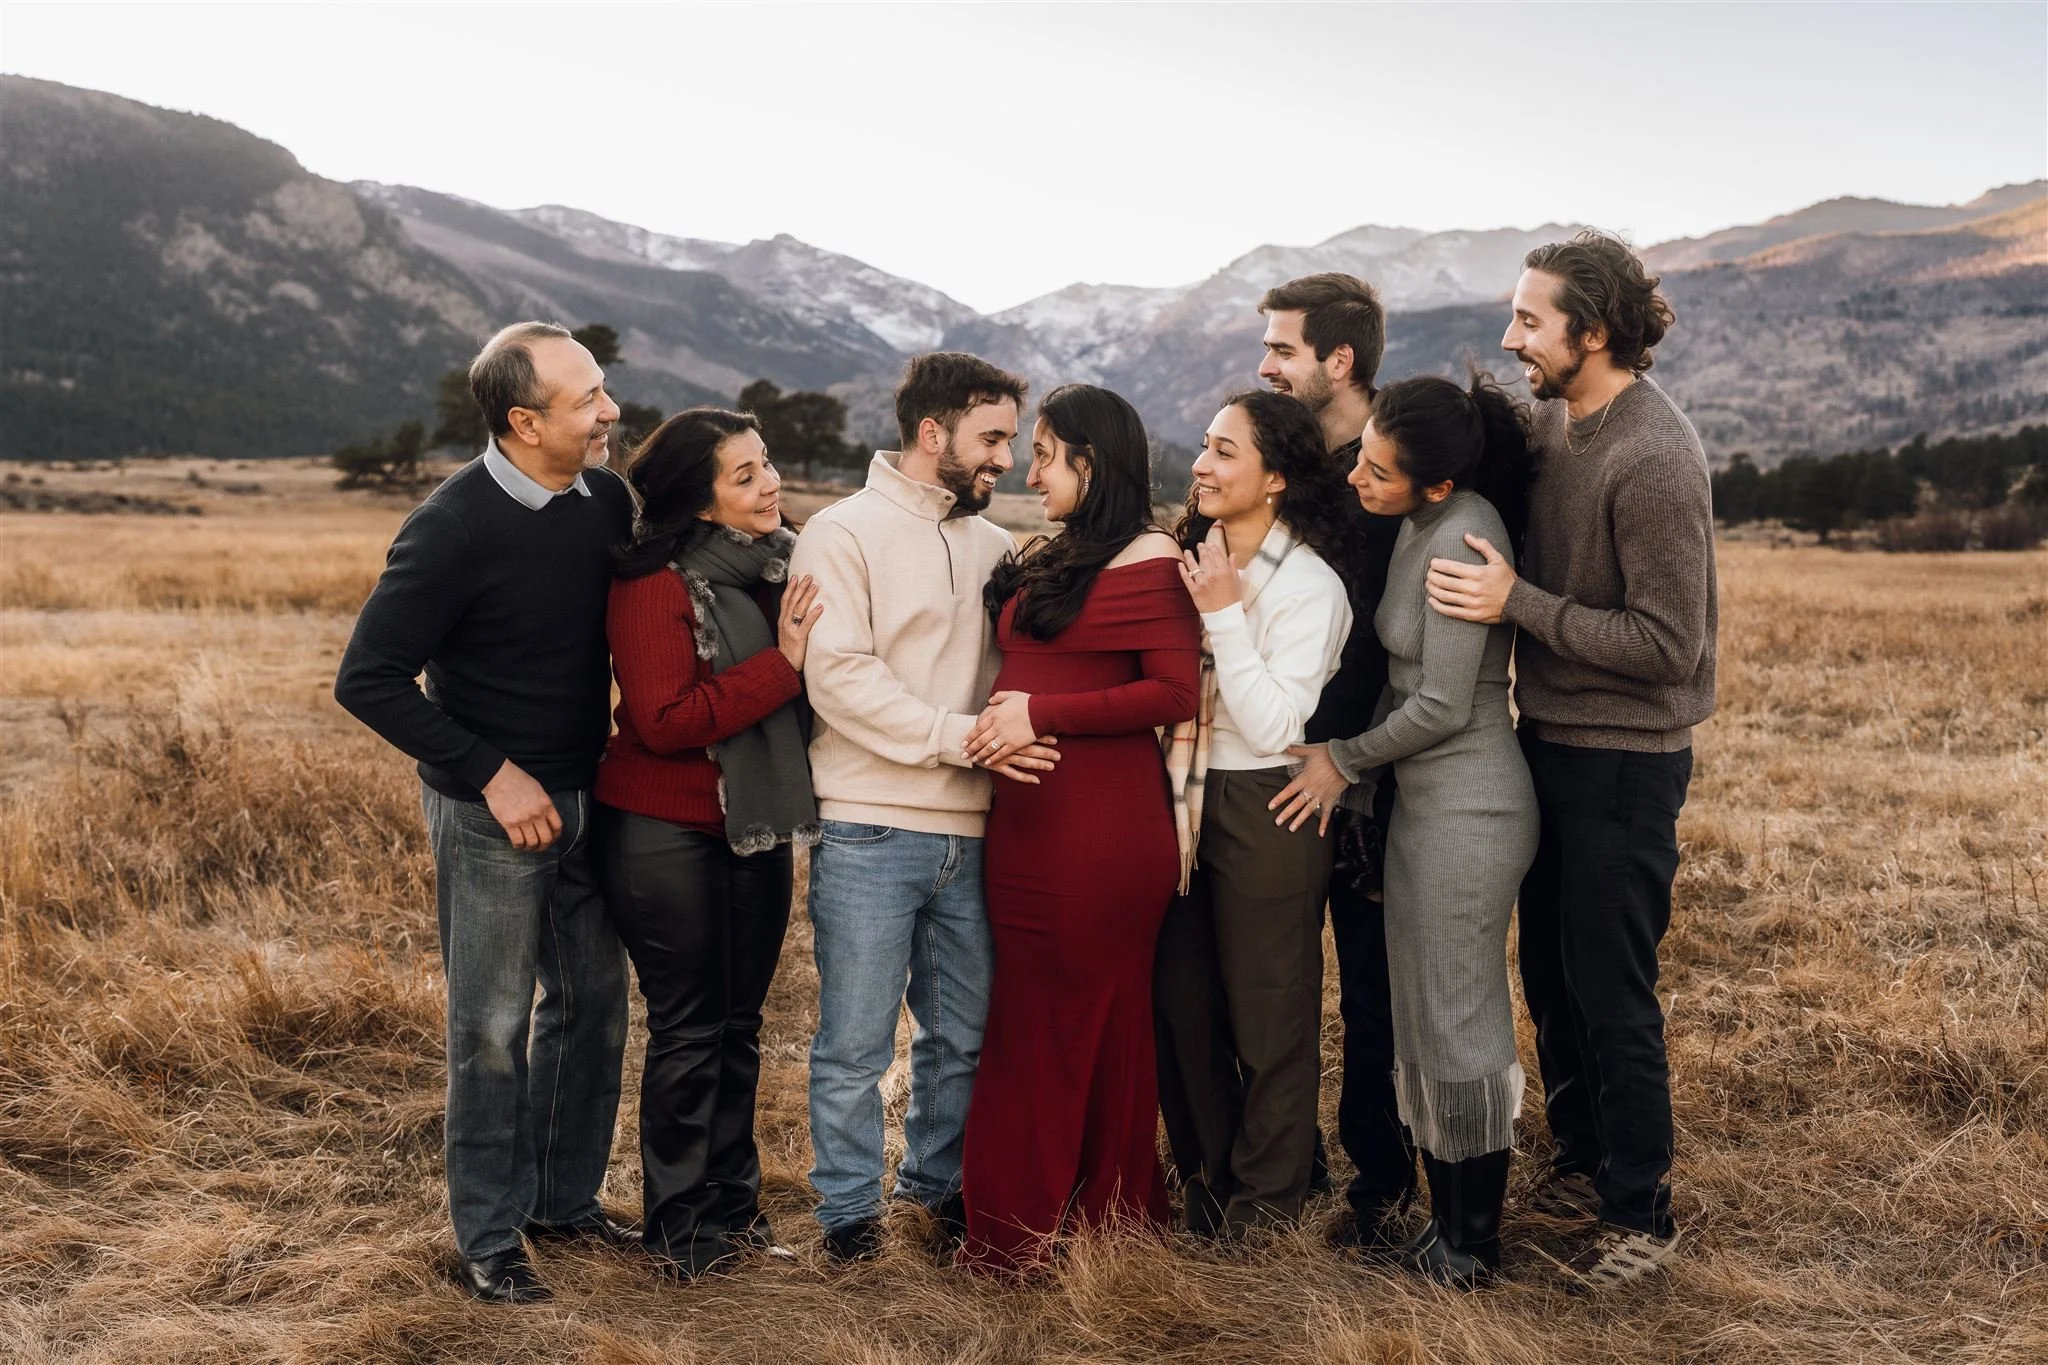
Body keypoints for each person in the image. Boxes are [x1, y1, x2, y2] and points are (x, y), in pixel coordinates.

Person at [1427, 231, 1717, 1290]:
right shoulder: (1553, 425)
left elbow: (1663, 646)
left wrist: (1520, 606)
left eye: (1529, 321)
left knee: (1610, 989)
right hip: (1543, 741)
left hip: (1625, 764)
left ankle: (1641, 1212)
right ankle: (1582, 1161)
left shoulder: (1652, 456)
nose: (1510, 339)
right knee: (1547, 976)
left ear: (1591, 333)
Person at [334, 321, 633, 1304]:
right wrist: (492, 773)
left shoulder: (604, 503)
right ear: (521, 420)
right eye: (586, 399)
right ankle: (490, 1237)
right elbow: (368, 679)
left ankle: (563, 1201)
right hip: (490, 815)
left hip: (593, 799)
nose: (609, 411)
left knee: (591, 1009)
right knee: (493, 1028)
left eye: (602, 392)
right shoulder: (451, 525)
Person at [790, 352, 1060, 1263]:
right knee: (857, 1041)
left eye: (1013, 442)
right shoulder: (840, 532)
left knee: (963, 1033)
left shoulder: (994, 548)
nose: (1006, 460)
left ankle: (935, 1190)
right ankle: (847, 1217)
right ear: (932, 433)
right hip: (868, 822)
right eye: (991, 439)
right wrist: (961, 739)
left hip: (977, 829)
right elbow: (839, 676)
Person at [1273, 373, 1538, 1288]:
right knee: (1423, 1016)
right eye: (1363, 457)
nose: (1357, 480)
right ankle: (1445, 1219)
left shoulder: (1466, 534)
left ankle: (1475, 1241)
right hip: (1423, 805)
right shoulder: (1423, 520)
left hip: (1471, 806)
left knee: (1460, 1015)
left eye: (1378, 472)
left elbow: (1442, 704)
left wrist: (1341, 760)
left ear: (1431, 484)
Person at [957, 385, 1200, 1271]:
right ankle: (1060, 1217)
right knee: (1034, 1016)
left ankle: (1045, 1224)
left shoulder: (1149, 560)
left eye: (1048, 453)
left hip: (1098, 832)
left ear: (1090, 463)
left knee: (1068, 1019)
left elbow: (1175, 693)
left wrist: (1042, 714)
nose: (1032, 468)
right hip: (1027, 826)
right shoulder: (1059, 551)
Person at [592, 408, 824, 1279]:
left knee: (739, 1024)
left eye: (767, 465)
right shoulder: (653, 582)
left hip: (750, 827)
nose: (770, 484)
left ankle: (733, 1208)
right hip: (663, 829)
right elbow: (663, 721)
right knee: (690, 1029)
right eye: (745, 476)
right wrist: (783, 665)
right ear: (701, 498)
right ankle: (681, 1231)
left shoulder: (774, 569)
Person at [1152, 390, 1361, 1237]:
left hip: (1264, 799)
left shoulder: (1311, 586)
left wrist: (1224, 615)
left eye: (1225, 451)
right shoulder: (1180, 556)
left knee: (1269, 1009)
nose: (1202, 464)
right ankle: (1207, 1181)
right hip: (1170, 790)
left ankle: (1268, 1200)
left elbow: (1278, 722)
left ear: (1275, 476)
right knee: (1181, 1001)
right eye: (1204, 446)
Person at [1257, 273, 1417, 1248]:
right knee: (1270, 975)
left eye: (1280, 349)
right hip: (1268, 766)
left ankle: (1380, 1186)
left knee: (1372, 990)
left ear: (1337, 360)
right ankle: (1280, 1164)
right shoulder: (1286, 470)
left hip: (1367, 777)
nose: (1265, 364)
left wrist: (1350, 759)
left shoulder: (1391, 477)